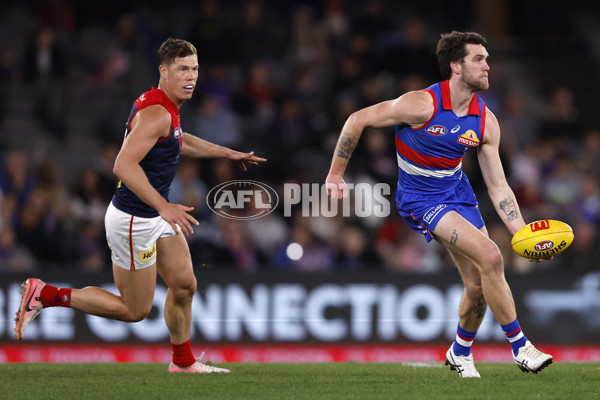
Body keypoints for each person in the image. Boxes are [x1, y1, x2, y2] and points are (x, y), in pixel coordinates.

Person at [14, 38, 266, 373]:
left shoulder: (163, 106)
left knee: (184, 284)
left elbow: (178, 139)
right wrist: (164, 206)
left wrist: (226, 153)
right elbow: (122, 165)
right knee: (134, 310)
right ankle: (45, 295)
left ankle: (183, 363)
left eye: (194, 69)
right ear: (163, 71)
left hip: (152, 213)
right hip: (134, 219)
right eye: (182, 69)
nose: (191, 76)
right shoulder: (157, 113)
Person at [325, 31, 553, 378]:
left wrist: (522, 234)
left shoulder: (485, 121)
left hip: (458, 195)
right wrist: (335, 174)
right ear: (456, 67)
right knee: (492, 256)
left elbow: (499, 186)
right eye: (479, 59)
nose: (488, 66)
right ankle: (521, 347)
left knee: (478, 284)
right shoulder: (420, 105)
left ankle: (459, 351)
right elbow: (357, 119)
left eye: (487, 59)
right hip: (420, 199)